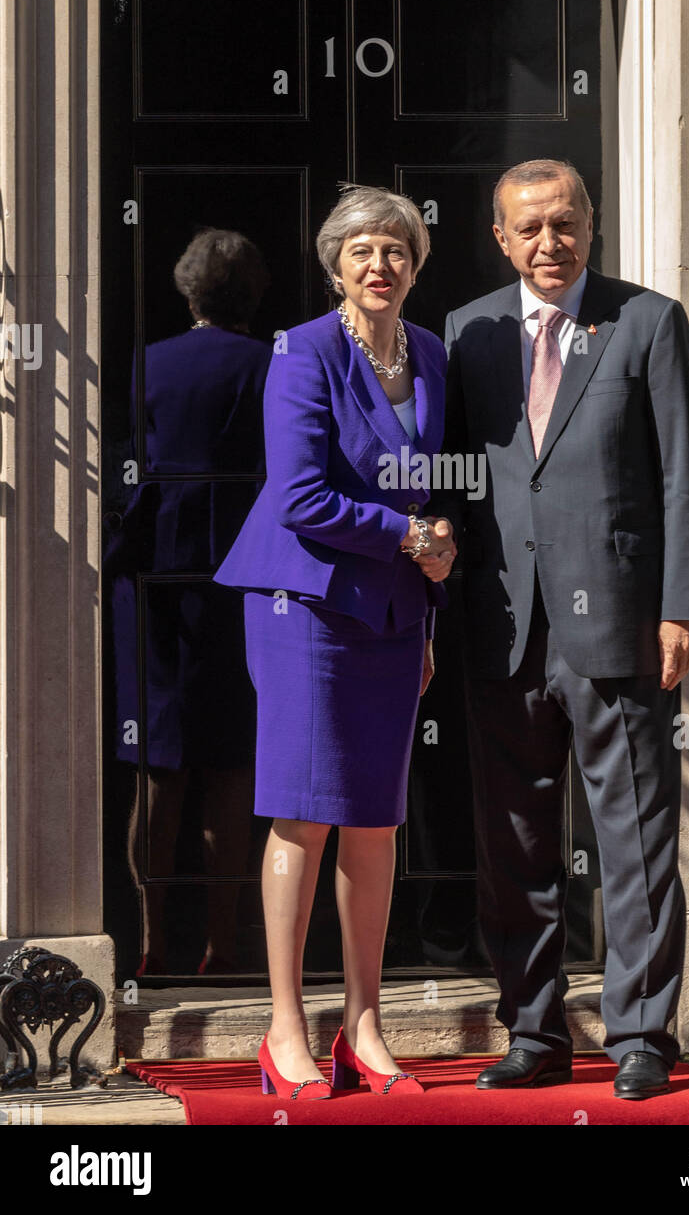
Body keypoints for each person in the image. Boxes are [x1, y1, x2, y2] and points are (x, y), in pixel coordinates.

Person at [420, 158, 689, 1099]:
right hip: (501, 628)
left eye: (565, 223)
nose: (550, 243)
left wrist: (680, 606)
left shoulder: (648, 320)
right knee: (512, 846)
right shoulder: (469, 331)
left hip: (619, 622)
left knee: (634, 838)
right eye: (528, 228)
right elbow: (454, 479)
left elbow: (677, 478)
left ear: (591, 225)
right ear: (499, 239)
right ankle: (534, 1030)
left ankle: (638, 1036)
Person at [212, 185, 455, 1100]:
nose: (379, 264)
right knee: (304, 812)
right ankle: (284, 1029)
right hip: (302, 605)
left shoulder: (429, 354)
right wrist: (405, 539)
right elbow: (300, 494)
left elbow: (425, 496)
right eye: (361, 250)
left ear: (415, 264)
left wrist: (425, 597)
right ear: (335, 265)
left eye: (395, 249)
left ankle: (365, 1025)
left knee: (376, 821)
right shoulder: (301, 351)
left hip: (393, 614)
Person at [105, 226, 273, 978]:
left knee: (157, 768)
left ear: (187, 289)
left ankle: (146, 943)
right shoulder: (274, 365)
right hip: (243, 583)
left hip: (155, 590)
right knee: (233, 767)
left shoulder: (149, 364)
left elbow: (124, 478)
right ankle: (221, 948)